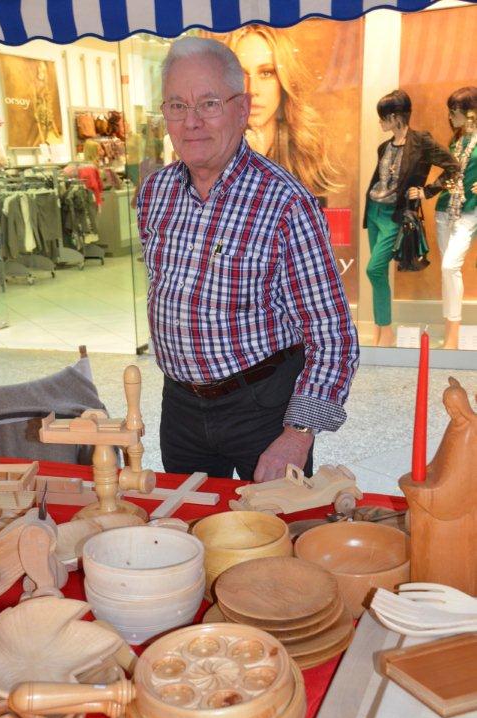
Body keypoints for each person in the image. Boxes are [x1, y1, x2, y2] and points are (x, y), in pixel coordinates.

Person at [137, 37, 359, 482]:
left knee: (273, 520)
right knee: (192, 518)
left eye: (209, 104)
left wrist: (297, 435)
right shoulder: (155, 194)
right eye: (177, 106)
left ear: (241, 109)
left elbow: (333, 336)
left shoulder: (285, 203)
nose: (191, 122)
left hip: (262, 408)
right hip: (179, 407)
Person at [363, 90, 459, 347]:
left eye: (383, 117)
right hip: (374, 211)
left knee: (373, 269)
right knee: (379, 275)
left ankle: (386, 332)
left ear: (396, 117)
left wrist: (427, 191)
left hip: (396, 216)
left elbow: (453, 166)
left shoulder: (420, 142)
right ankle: (381, 332)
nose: (380, 122)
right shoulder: (384, 147)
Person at [212, 25, 340, 196]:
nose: (253, 89)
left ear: (283, 81)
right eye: (240, 75)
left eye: (266, 73)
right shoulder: (210, 153)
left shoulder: (306, 155)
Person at [435, 87, 477, 349]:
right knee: (446, 271)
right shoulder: (457, 141)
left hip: (469, 211)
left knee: (450, 267)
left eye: (455, 112)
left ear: (470, 112)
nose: (451, 117)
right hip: (445, 210)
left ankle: (453, 334)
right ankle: (450, 334)